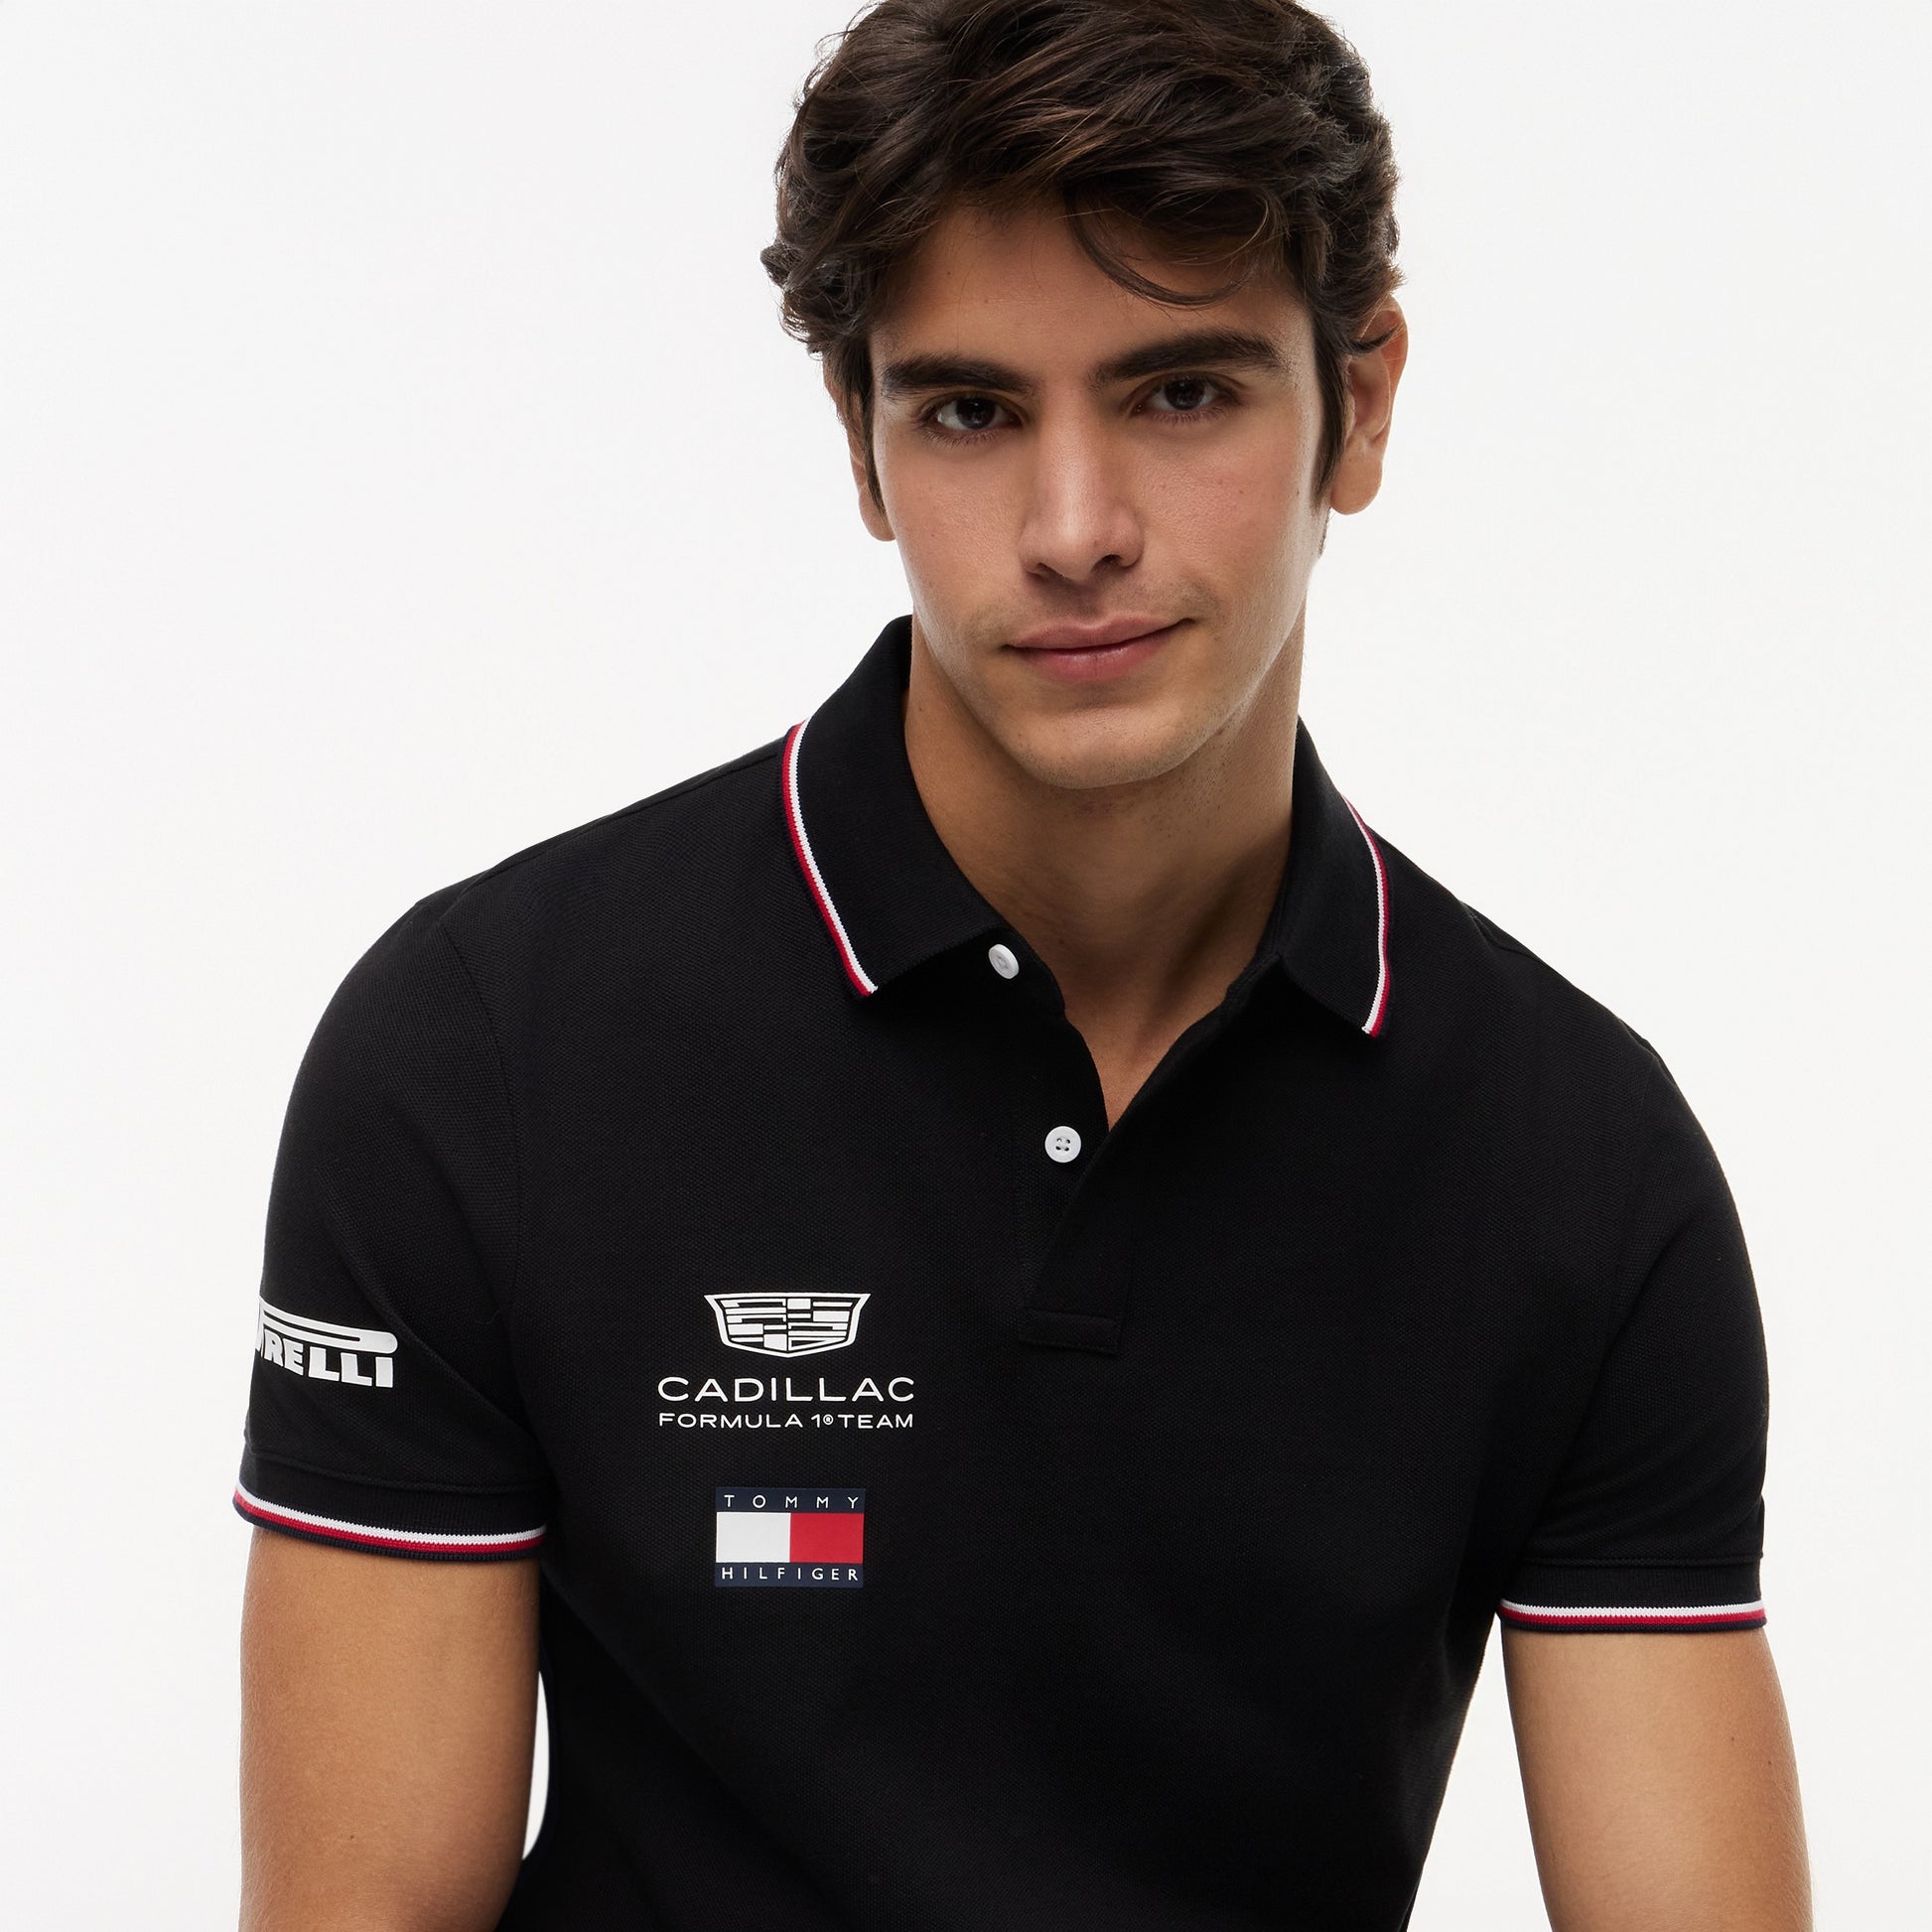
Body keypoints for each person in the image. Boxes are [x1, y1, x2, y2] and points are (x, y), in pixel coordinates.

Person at [233, 2, 1810, 1926]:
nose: (1075, 531)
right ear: (862, 442)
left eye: (1181, 392)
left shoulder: (1577, 1161)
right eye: (970, 411)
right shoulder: (481, 1051)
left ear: (1362, 402)